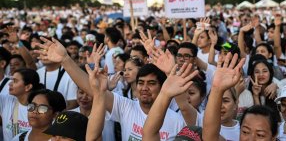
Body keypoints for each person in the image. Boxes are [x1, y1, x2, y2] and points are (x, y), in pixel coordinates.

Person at [36, 39, 186, 140]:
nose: (144, 88)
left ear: (162, 86)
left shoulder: (178, 121)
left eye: (151, 83)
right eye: (141, 83)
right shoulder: (127, 107)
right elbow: (94, 90)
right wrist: (66, 60)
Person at [0, 68, 44, 140]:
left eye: (15, 81)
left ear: (28, 87)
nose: (9, 84)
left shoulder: (40, 109)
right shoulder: (6, 101)